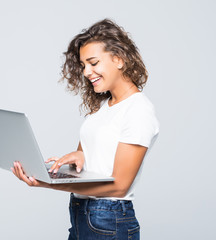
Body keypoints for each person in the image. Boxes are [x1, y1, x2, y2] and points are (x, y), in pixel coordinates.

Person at [11, 18, 159, 240]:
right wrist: (77, 157)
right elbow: (95, 157)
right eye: (83, 65)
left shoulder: (138, 110)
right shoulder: (104, 107)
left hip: (108, 219)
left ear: (118, 59)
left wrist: (49, 184)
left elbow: (119, 186)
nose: (87, 72)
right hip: (82, 213)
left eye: (93, 63)